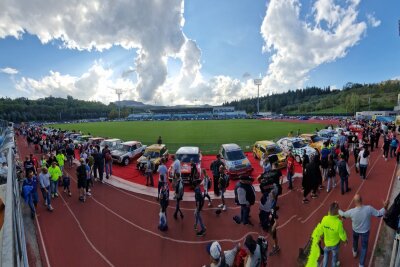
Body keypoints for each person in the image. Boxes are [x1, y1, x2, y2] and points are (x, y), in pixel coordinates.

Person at [339, 194, 388, 267]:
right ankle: (361, 264)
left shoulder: (351, 211)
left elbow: (343, 215)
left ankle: (355, 252)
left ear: (354, 202)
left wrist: (338, 209)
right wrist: (385, 206)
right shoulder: (369, 208)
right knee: (364, 247)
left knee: (355, 240)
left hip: (355, 230)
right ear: (361, 200)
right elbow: (379, 214)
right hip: (365, 231)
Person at [315, 202, 347, 267]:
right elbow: (342, 235)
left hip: (327, 243)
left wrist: (320, 236)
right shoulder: (338, 223)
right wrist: (345, 240)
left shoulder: (324, 218)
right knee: (334, 257)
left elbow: (321, 229)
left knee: (326, 253)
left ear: (329, 211)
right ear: (337, 212)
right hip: (335, 244)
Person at [259, 190, 280, 256]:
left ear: (273, 196)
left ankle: (276, 247)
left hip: (270, 224)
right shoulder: (269, 201)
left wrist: (273, 227)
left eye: (270, 195)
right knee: (272, 234)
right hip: (266, 221)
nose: (269, 195)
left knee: (274, 236)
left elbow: (276, 221)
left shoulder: (272, 208)